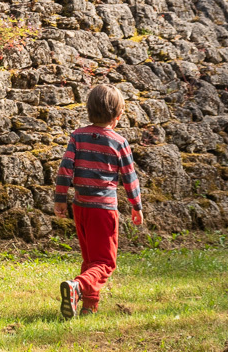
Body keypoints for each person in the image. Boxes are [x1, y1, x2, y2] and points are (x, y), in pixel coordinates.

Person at [54, 84, 143, 318]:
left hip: (80, 207)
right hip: (103, 210)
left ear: (88, 110)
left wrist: (60, 199)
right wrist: (136, 206)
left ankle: (88, 307)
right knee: (105, 262)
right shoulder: (119, 142)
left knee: (91, 259)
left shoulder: (78, 136)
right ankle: (78, 286)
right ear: (118, 115)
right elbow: (129, 178)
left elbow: (65, 169)